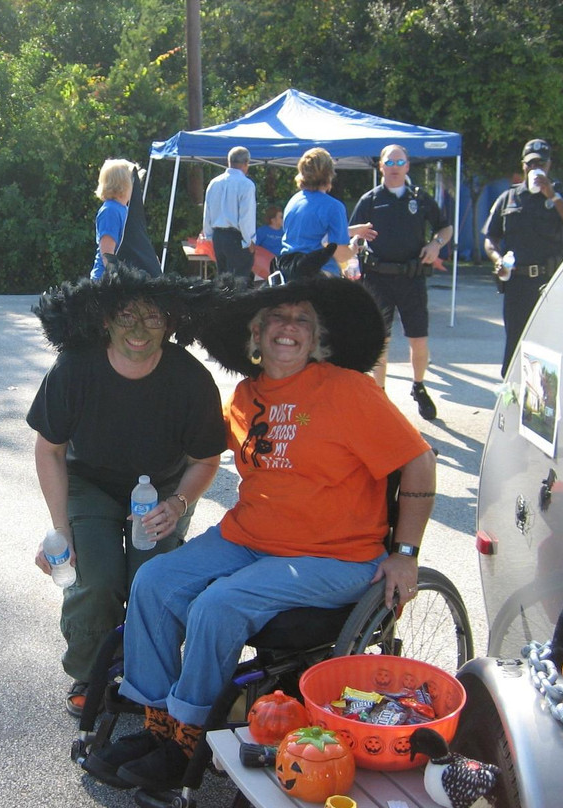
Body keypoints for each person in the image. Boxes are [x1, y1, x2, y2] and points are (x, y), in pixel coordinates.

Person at [82, 276, 436, 792]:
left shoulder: (349, 390)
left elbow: (419, 462)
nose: (287, 327)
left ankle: (187, 738)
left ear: (317, 339)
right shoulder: (246, 395)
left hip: (335, 557)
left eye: (302, 320)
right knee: (154, 582)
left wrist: (406, 553)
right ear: (255, 334)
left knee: (217, 606)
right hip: (247, 538)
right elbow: (198, 448)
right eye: (276, 317)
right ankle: (157, 724)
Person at [27, 268, 226, 717]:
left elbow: (205, 461)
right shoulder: (75, 367)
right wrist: (61, 531)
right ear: (104, 320)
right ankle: (90, 671)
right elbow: (50, 451)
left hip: (163, 489)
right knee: (95, 580)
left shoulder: (190, 380)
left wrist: (178, 505)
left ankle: (146, 671)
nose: (138, 330)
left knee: (151, 581)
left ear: (171, 325)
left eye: (152, 318)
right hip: (89, 483)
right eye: (126, 316)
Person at [350, 144, 453, 420]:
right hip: (378, 279)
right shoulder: (370, 200)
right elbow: (351, 234)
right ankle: (379, 395)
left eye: (400, 161)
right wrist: (356, 241)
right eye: (389, 161)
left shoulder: (420, 199)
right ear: (381, 166)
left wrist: (436, 244)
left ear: (408, 166)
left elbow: (445, 227)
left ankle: (418, 387)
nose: (394, 166)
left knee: (418, 339)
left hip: (412, 279)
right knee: (380, 341)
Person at [483, 139, 563, 377]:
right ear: (523, 166)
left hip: (552, 284)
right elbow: (490, 237)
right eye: (531, 164)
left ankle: (546, 402)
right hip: (517, 284)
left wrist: (553, 196)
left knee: (550, 344)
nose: (535, 168)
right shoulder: (508, 198)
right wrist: (497, 259)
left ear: (549, 165)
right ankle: (511, 394)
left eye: (541, 163)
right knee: (516, 341)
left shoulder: (562, 194)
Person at [280, 147, 375, 279]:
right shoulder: (333, 207)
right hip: (319, 278)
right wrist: (353, 248)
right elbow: (340, 254)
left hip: (289, 273)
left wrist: (354, 230)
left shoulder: (293, 202)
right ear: (329, 174)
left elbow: (314, 233)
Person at [202, 146, 257, 279]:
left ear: (229, 162)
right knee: (239, 283)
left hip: (218, 237)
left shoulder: (214, 183)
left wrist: (209, 236)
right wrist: (249, 241)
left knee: (223, 283)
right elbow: (245, 217)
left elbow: (207, 213)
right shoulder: (247, 184)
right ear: (246, 163)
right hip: (237, 238)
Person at [90, 159, 135, 281]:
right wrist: (117, 280)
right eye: (132, 180)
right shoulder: (110, 211)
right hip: (106, 283)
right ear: (123, 184)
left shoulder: (124, 209)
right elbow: (107, 255)